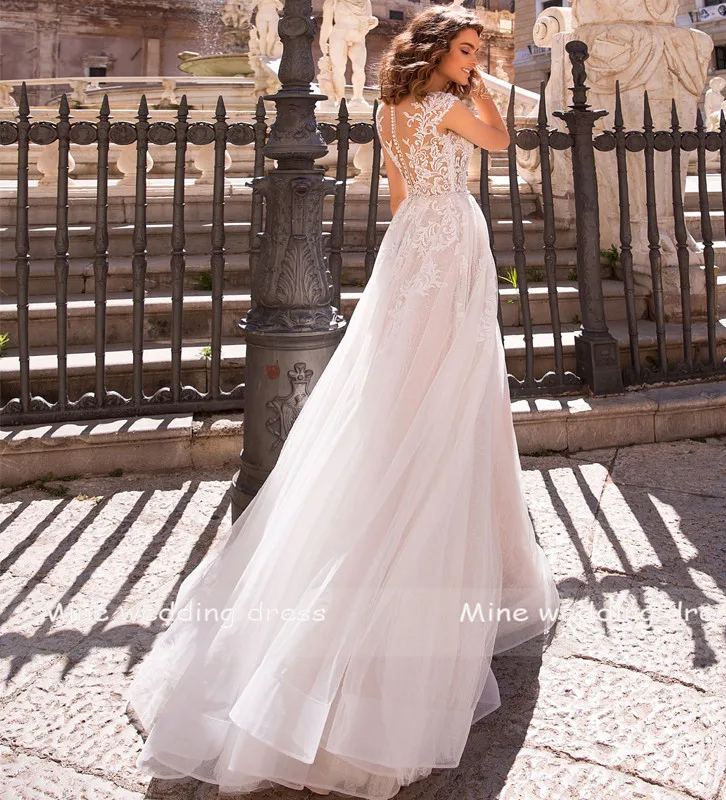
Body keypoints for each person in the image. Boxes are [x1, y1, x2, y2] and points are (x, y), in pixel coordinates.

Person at [125, 6, 560, 798]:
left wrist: (413, 253)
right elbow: (499, 142)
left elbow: (398, 192)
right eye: (464, 50)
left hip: (413, 243)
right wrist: (484, 88)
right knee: (451, 385)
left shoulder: (391, 109)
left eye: (477, 52)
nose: (472, 60)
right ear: (439, 52)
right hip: (448, 240)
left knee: (406, 382)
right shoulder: (449, 103)